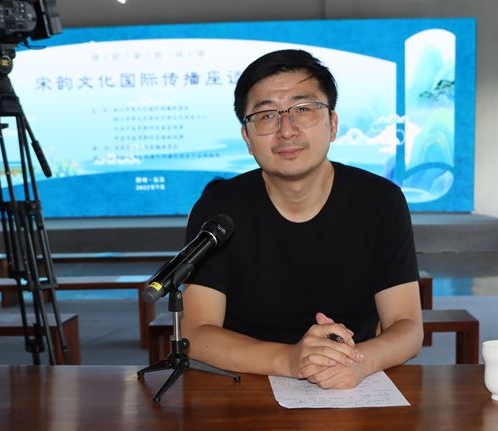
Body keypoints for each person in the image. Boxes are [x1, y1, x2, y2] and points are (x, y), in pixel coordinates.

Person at [181, 49, 423, 389]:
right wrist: (290, 359)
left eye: (303, 110)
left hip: (351, 383)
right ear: (247, 138)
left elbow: (407, 325)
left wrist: (358, 363)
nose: (286, 130)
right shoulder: (219, 208)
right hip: (244, 382)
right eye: (266, 116)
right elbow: (196, 333)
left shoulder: (380, 201)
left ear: (332, 124)